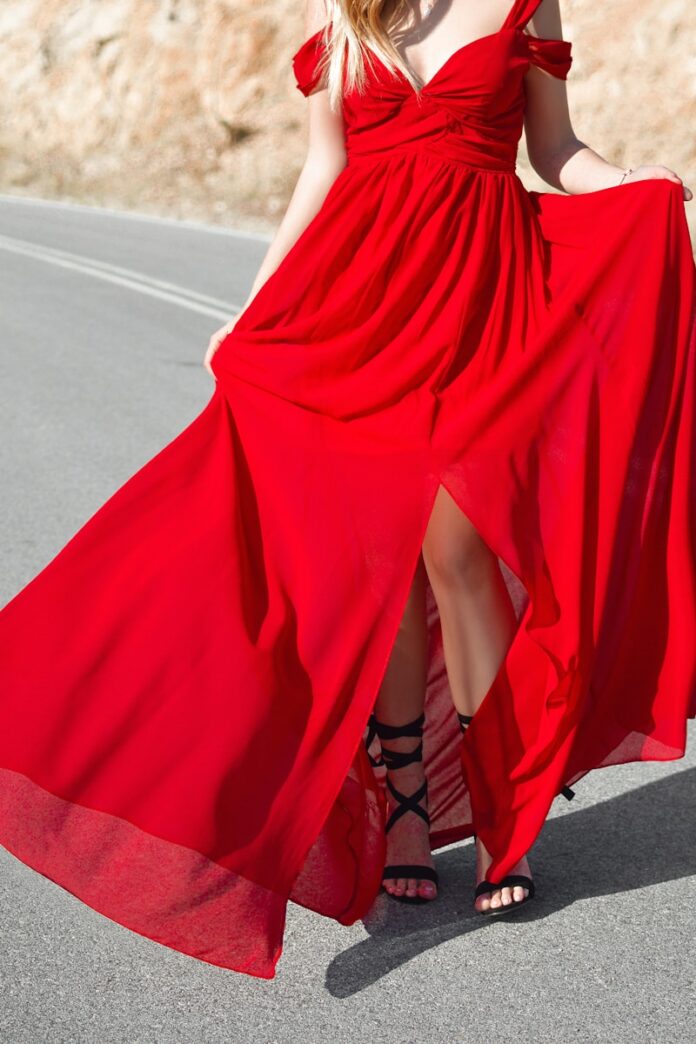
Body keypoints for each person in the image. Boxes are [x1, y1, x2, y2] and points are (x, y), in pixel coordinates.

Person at [0, 0, 693, 980]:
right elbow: (323, 174)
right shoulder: (347, 21)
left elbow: (556, 148)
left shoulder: (525, 6)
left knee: (458, 549)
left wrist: (632, 184)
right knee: (383, 562)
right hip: (355, 316)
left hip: (478, 317)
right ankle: (405, 809)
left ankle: (507, 807)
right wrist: (252, 309)